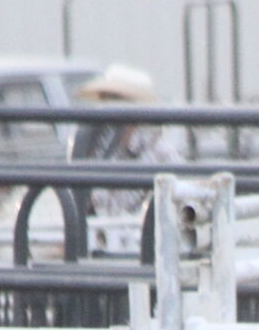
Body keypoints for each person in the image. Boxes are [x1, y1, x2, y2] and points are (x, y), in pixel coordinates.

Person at [71, 63, 187, 219]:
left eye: (115, 100)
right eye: (105, 100)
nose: (106, 109)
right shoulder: (89, 146)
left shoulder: (161, 154)